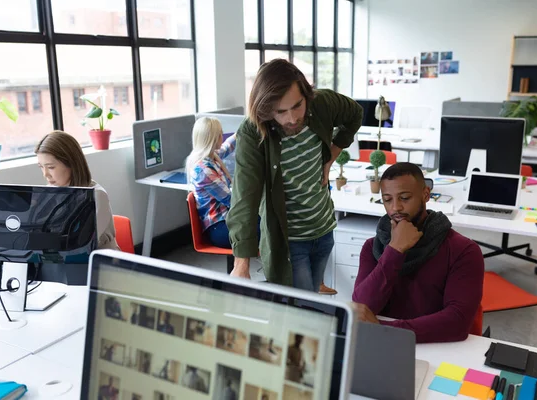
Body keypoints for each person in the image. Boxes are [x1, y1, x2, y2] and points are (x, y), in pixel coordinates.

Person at [226, 59, 363, 292]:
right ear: (265, 109)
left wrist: (332, 154)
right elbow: (244, 198)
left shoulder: (322, 103)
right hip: (290, 242)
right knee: (300, 308)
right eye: (280, 111)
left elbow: (355, 114)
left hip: (324, 227)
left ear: (306, 95)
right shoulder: (252, 133)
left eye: (297, 106)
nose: (291, 118)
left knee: (313, 295)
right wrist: (241, 264)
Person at [352, 163, 484, 343]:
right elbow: (362, 306)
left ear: (425, 195)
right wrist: (395, 250)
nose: (395, 208)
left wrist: (386, 330)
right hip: (385, 343)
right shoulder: (373, 247)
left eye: (404, 198)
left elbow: (458, 322)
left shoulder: (463, 251)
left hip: (439, 347)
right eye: (387, 199)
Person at [35, 130, 119, 250]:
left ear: (71, 164)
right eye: (41, 167)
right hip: (65, 261)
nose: (45, 174)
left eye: (51, 167)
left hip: (98, 261)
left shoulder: (96, 196)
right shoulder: (49, 193)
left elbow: (79, 242)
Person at [186, 117, 236, 249]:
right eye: (220, 134)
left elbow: (226, 147)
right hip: (219, 227)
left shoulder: (211, 156)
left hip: (226, 220)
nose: (222, 136)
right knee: (269, 229)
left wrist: (241, 132)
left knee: (269, 223)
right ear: (212, 139)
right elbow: (231, 200)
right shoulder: (204, 170)